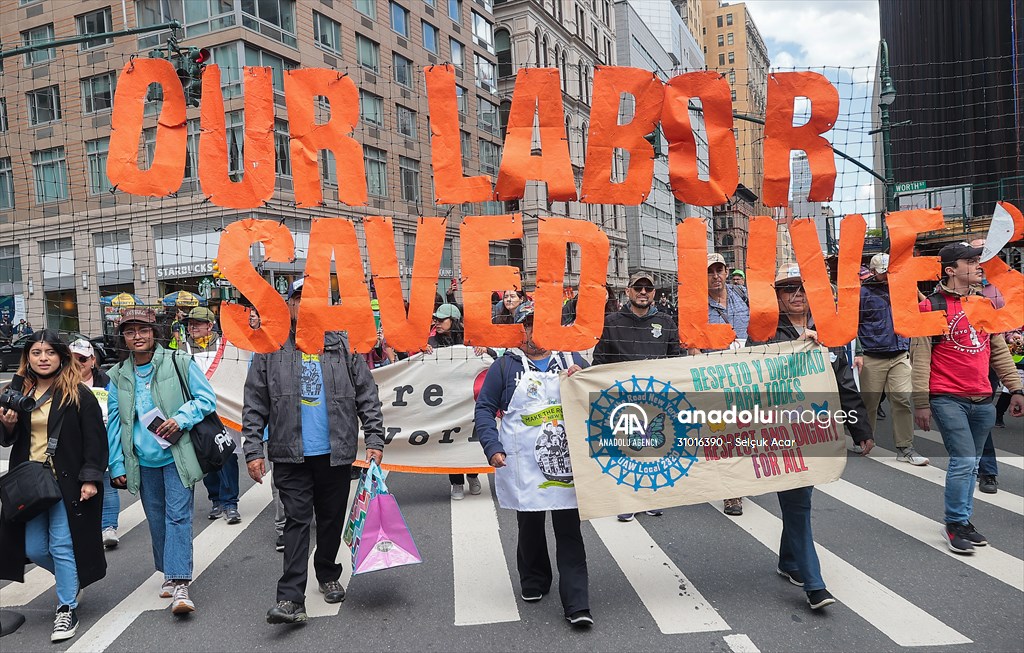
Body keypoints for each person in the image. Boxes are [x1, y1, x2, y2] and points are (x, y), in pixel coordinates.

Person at [242, 278, 386, 625]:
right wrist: (252, 450)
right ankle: (290, 598)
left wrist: (375, 439)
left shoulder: (343, 344)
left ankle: (327, 571)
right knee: (296, 522)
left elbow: (367, 393)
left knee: (332, 519)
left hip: (335, 452)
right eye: (298, 299)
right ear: (288, 305)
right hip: (289, 453)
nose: (305, 305)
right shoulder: (271, 346)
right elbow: (255, 401)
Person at [749, 265, 875, 610]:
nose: (796, 295)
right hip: (777, 432)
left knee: (799, 501)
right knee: (799, 504)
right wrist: (793, 350)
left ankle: (789, 561)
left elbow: (844, 383)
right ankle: (814, 585)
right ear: (777, 296)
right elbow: (747, 378)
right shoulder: (762, 333)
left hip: (814, 431)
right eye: (788, 289)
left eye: (801, 288)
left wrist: (861, 429)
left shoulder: (828, 333)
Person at [475, 302, 593, 626]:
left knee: (569, 531)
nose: (535, 329)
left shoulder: (570, 360)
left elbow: (595, 400)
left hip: (566, 464)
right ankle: (534, 579)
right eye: (529, 324)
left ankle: (577, 603)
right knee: (529, 526)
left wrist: (581, 381)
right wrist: (492, 446)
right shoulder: (504, 367)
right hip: (523, 462)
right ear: (521, 329)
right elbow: (484, 408)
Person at [910, 243, 1024, 554]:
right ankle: (956, 524)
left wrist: (1015, 389)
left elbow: (998, 350)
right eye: (970, 261)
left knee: (972, 464)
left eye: (978, 260)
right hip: (948, 399)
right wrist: (920, 402)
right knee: (963, 461)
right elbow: (920, 358)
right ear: (950, 270)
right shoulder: (930, 307)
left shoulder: (984, 305)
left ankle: (963, 520)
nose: (978, 265)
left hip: (984, 398)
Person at [107, 307, 218, 615]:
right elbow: (115, 423)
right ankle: (168, 570)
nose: (137, 336)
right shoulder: (118, 376)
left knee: (178, 517)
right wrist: (116, 464)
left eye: (142, 330)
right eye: (130, 332)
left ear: (154, 331)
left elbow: (206, 399)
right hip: (143, 461)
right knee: (156, 520)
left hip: (177, 456)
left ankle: (180, 582)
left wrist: (181, 419)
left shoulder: (178, 361)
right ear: (124, 338)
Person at [0, 330, 108, 642]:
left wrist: (90, 477)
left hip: (66, 482)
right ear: (27, 358)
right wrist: (7, 423)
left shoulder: (77, 393)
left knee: (62, 545)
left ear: (61, 356)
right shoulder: (18, 392)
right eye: (36, 353)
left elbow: (95, 441)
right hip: (31, 483)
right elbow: (9, 438)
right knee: (34, 548)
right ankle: (71, 580)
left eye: (49, 352)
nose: (43, 358)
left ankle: (66, 608)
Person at [594, 271, 681, 521]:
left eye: (648, 289)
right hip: (622, 398)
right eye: (638, 288)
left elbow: (675, 358)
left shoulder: (666, 322)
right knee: (626, 450)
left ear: (654, 293)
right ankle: (626, 499)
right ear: (628, 291)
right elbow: (600, 360)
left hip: (657, 397)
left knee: (655, 448)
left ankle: (652, 496)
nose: (643, 292)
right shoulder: (611, 322)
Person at [852, 253, 928, 466]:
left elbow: (925, 309)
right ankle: (866, 440)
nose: (888, 275)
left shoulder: (904, 289)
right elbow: (854, 325)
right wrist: (858, 352)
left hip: (899, 353)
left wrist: (915, 292)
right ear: (874, 272)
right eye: (884, 272)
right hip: (872, 355)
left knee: (902, 400)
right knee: (870, 403)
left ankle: (905, 447)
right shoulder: (863, 294)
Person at [701, 253, 750, 516]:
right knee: (723, 433)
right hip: (713, 376)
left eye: (719, 269)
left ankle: (735, 482)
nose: (716, 275)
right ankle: (731, 492)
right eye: (710, 271)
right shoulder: (695, 303)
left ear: (727, 271)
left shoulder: (742, 295)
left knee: (744, 431)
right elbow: (689, 341)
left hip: (745, 375)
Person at [183, 306, 242, 525]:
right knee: (205, 456)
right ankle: (216, 499)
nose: (193, 327)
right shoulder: (182, 348)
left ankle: (231, 503)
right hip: (199, 413)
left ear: (210, 325)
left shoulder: (226, 346)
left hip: (223, 412)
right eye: (190, 323)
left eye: (197, 323)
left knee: (226, 455)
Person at [427, 303, 482, 499]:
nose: (437, 323)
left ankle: (473, 475)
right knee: (451, 440)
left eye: (442, 319)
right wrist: (422, 355)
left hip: (468, 400)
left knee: (470, 438)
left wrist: (483, 351)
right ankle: (456, 482)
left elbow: (492, 358)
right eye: (436, 319)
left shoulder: (471, 341)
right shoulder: (431, 343)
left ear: (454, 321)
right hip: (446, 401)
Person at [70, 338, 121, 549]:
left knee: (107, 485)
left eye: (82, 359)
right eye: (72, 359)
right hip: (74, 445)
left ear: (92, 360)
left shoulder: (107, 381)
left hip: (103, 440)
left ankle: (108, 527)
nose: (78, 363)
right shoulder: (61, 383)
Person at [969, 238, 1006, 494]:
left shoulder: (1006, 286)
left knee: (982, 415)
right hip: (968, 361)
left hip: (996, 358)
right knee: (977, 416)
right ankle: (983, 470)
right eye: (974, 255)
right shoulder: (959, 290)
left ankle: (986, 470)